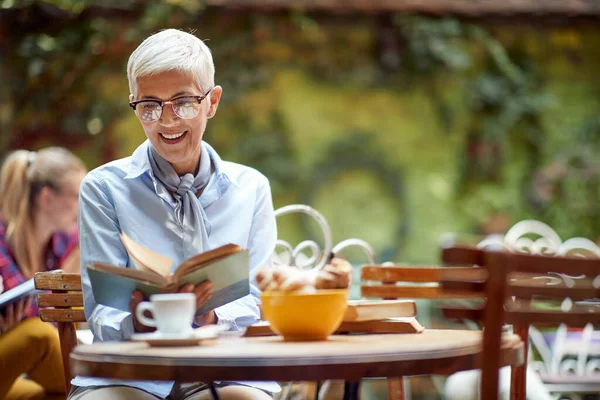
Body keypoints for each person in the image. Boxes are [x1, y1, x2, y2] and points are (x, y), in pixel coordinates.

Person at [71, 29, 281, 400]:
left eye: (183, 102)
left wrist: (211, 316)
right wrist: (139, 321)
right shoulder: (103, 189)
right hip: (129, 373)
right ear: (134, 102)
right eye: (150, 106)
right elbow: (101, 311)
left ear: (211, 102)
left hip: (226, 371)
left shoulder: (251, 188)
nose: (166, 121)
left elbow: (262, 299)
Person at [0, 147, 87, 400]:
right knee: (39, 335)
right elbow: (44, 321)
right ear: (47, 198)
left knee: (58, 397)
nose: (83, 206)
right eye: (78, 196)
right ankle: (97, 383)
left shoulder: (58, 244)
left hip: (12, 379)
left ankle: (100, 387)